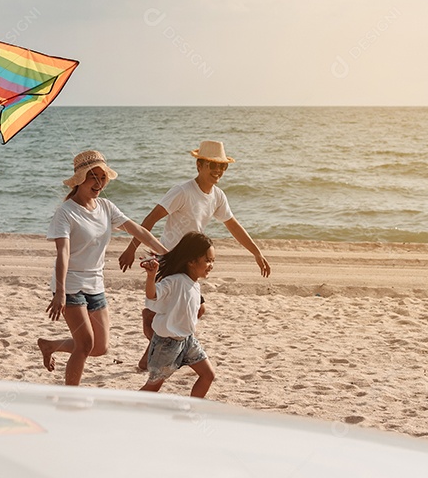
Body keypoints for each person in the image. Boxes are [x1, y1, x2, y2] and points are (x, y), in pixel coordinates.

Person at [117, 140, 270, 369]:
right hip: (167, 259)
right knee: (153, 314)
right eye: (212, 165)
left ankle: (150, 355)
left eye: (222, 167)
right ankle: (153, 350)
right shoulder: (182, 192)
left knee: (198, 308)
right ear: (199, 165)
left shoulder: (217, 196)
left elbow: (233, 224)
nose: (218, 171)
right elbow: (150, 219)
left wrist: (256, 252)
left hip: (191, 264)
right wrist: (131, 248)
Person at [36, 150, 169, 386]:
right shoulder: (65, 213)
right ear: (79, 179)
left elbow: (138, 230)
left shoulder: (106, 207)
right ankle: (70, 397)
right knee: (85, 344)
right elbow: (62, 253)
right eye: (92, 177)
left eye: (102, 177)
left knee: (100, 347)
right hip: (71, 284)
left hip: (95, 283)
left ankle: (50, 345)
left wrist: (167, 254)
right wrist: (59, 292)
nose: (98, 183)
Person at [139, 231, 216, 398]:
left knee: (208, 375)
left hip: (188, 340)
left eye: (213, 261)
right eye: (208, 260)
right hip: (167, 344)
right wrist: (151, 276)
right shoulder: (174, 281)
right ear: (191, 261)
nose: (211, 265)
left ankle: (192, 409)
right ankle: (129, 408)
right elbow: (152, 295)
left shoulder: (194, 283)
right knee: (153, 386)